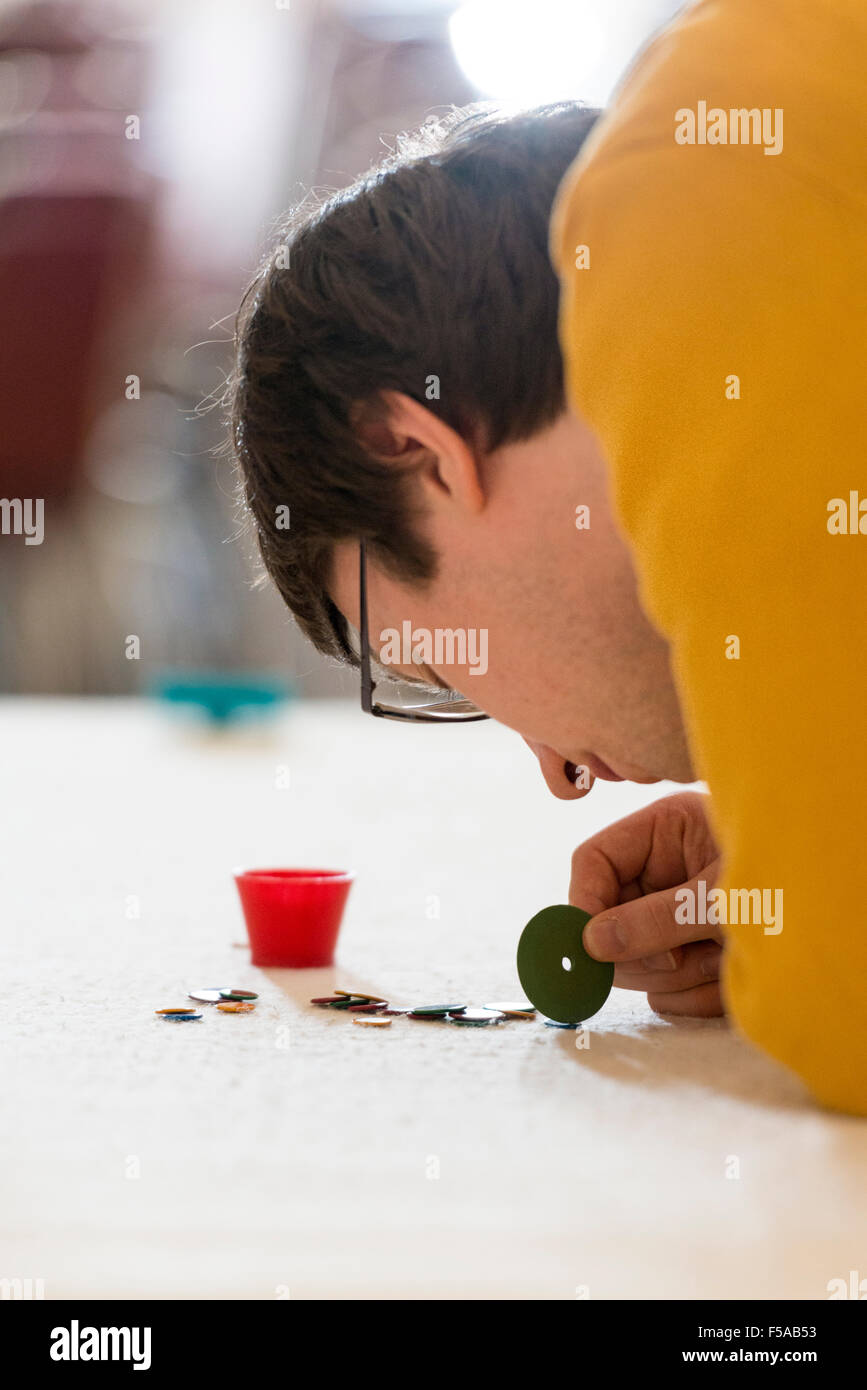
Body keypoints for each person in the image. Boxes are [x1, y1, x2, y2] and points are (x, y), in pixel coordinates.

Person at [228, 0, 866, 1115]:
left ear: (419, 452)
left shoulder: (681, 191)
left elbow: (840, 1001)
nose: (553, 769)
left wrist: (818, 900)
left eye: (431, 668)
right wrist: (817, 805)